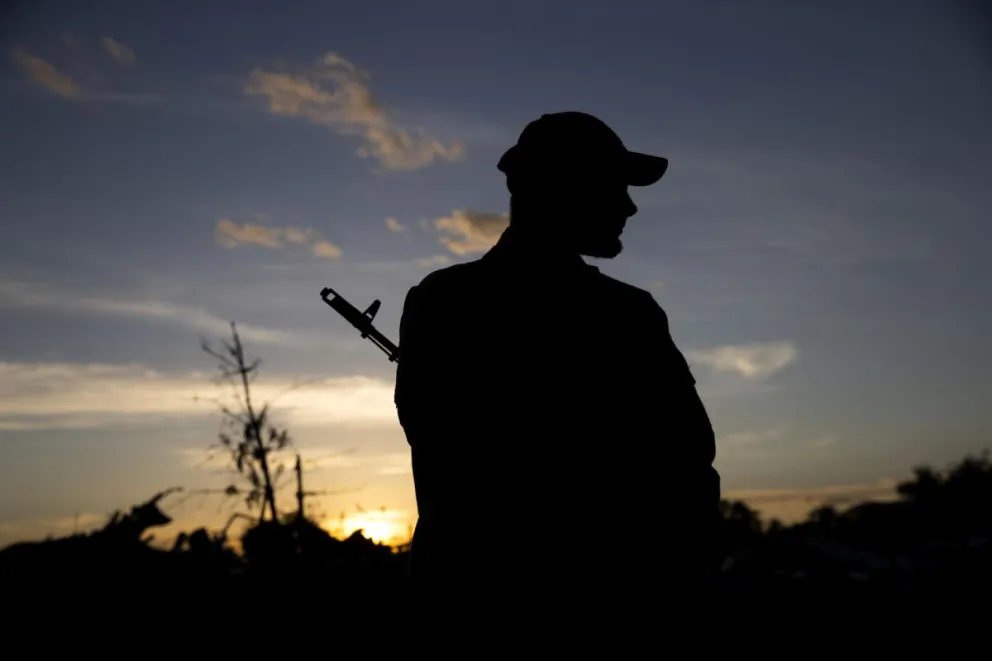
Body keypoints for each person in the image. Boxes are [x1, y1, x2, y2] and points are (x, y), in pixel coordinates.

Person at [394, 112, 721, 617]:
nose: (630, 206)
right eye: (614, 186)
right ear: (565, 188)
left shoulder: (440, 300)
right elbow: (688, 472)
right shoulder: (626, 316)